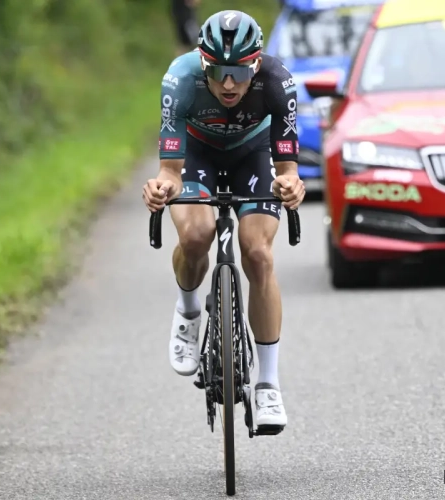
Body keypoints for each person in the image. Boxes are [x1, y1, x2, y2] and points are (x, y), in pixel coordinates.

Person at [142, 10, 306, 431]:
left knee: (258, 253)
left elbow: (287, 169)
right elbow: (170, 172)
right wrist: (161, 187)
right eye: (217, 71)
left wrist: (291, 185)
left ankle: (268, 385)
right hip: (197, 155)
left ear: (255, 63)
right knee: (196, 235)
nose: (228, 84)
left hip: (252, 154)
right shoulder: (180, 79)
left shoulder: (277, 80)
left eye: (238, 71)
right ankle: (189, 309)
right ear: (203, 63)